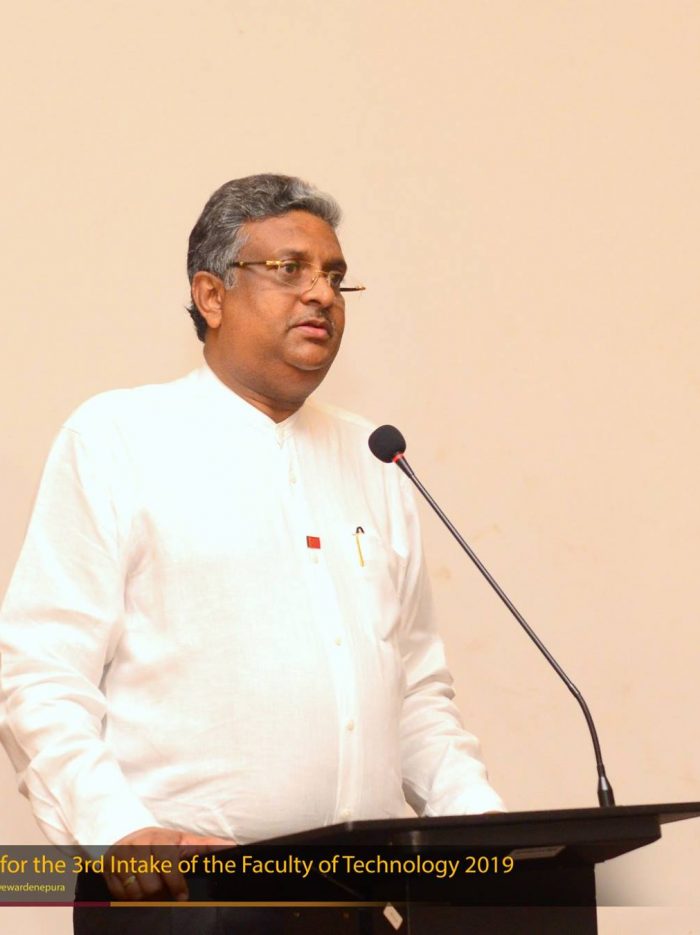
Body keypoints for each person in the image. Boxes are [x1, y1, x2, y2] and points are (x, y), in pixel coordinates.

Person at [0, 174, 503, 924]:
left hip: (355, 900)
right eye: (289, 268)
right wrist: (115, 830)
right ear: (211, 295)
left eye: (334, 275)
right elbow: (40, 671)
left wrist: (487, 831)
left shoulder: (375, 456)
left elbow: (416, 694)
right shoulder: (118, 439)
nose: (321, 294)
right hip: (182, 896)